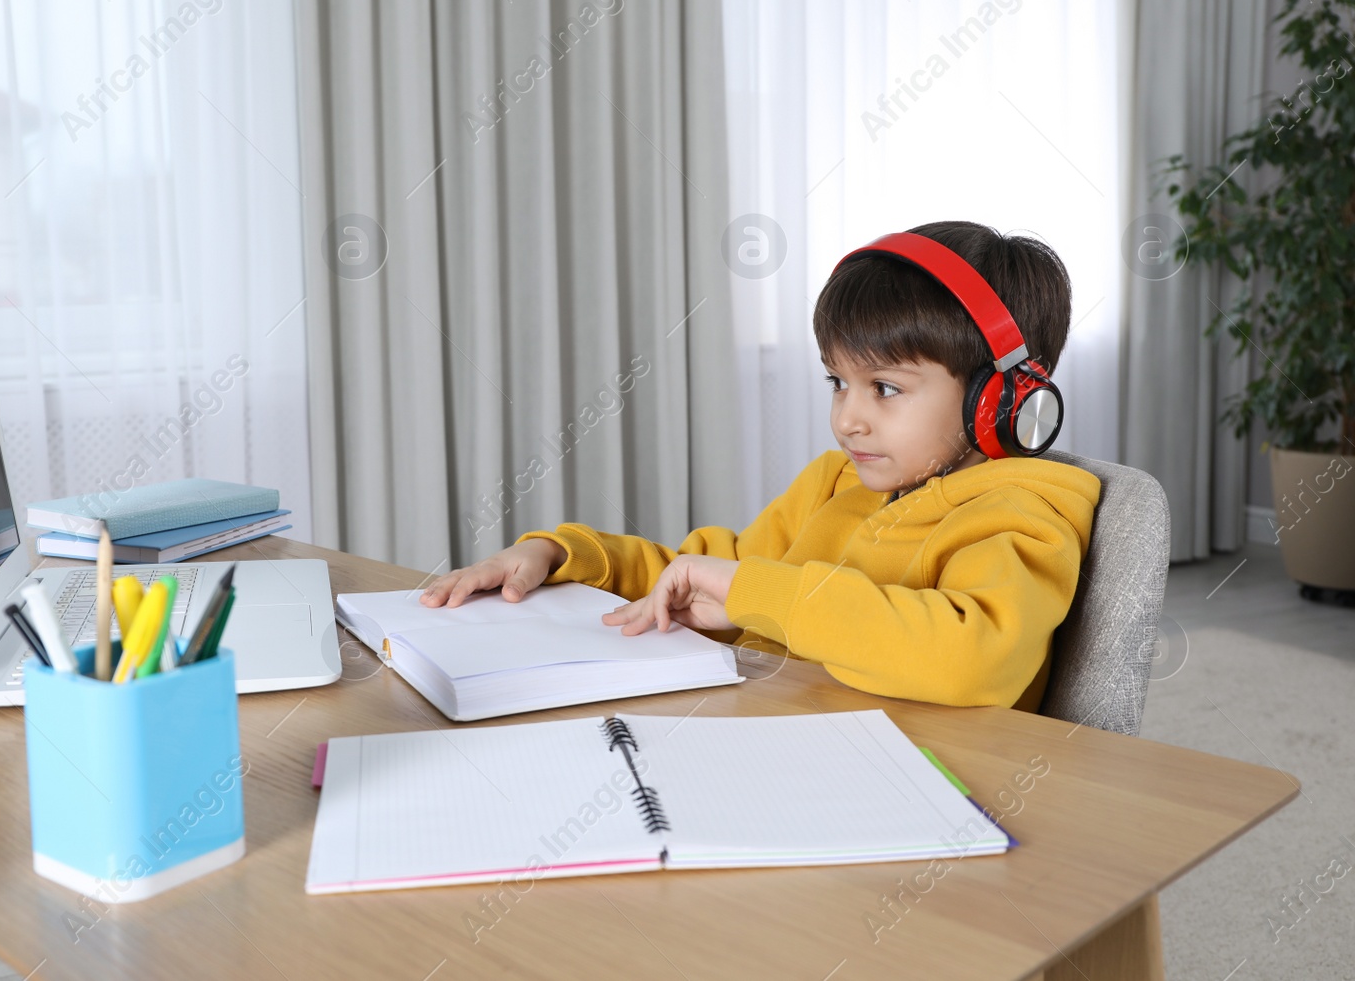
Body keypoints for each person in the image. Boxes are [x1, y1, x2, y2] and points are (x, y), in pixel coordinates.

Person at [420, 221, 1101, 711]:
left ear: (1002, 400)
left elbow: (969, 657)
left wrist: (756, 590)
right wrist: (560, 553)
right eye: (837, 381)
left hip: (928, 786)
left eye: (885, 388)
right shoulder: (834, 484)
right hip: (793, 742)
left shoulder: (1024, 514)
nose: (847, 419)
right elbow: (706, 578)